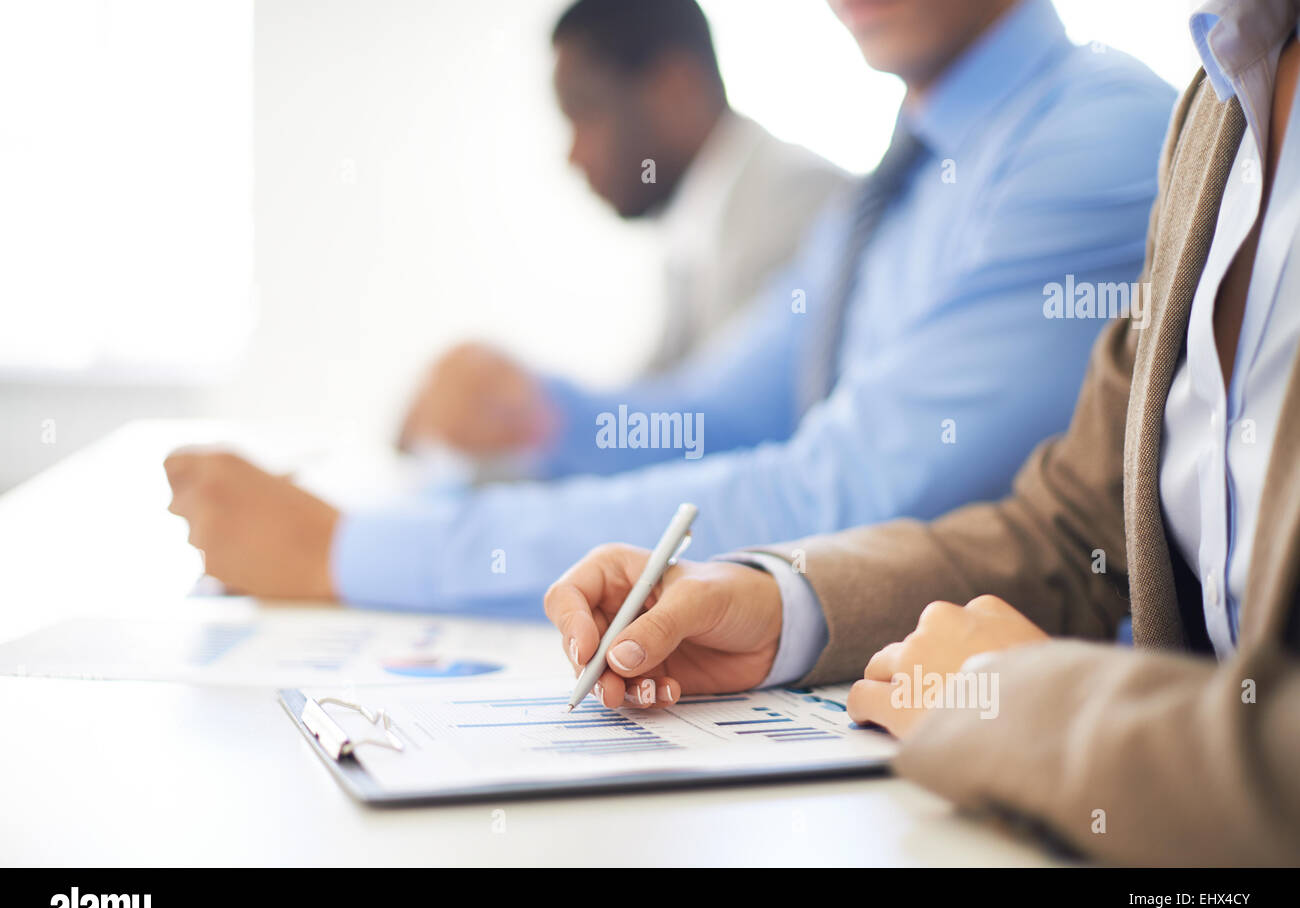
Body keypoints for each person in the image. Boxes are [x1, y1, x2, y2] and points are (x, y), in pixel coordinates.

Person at [543, 0, 1300, 866]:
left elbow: (840, 478)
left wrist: (1027, 706)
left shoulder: (1098, 127)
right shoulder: (1217, 103)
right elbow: (1077, 528)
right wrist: (782, 602)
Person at [164, 0, 1174, 617]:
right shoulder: (887, 195)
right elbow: (719, 414)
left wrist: (348, 553)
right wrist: (535, 411)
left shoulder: (1090, 139)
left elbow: (848, 495)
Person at [397, 0, 850, 455]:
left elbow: (716, 430)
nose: (572, 155)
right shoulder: (700, 221)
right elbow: (655, 394)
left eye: (584, 113)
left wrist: (528, 417)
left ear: (676, 89)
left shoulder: (794, 200)